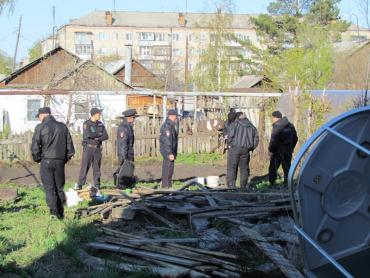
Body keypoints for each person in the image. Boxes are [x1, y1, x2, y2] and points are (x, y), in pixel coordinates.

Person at [31, 107, 75, 219]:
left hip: (46, 161)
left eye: (39, 116)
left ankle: (53, 213)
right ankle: (61, 212)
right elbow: (70, 148)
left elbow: (35, 147)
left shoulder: (40, 128)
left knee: (50, 188)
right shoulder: (62, 127)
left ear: (43, 115)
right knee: (59, 187)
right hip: (59, 161)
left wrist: (38, 159)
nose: (39, 118)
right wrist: (64, 159)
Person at [75, 108, 108, 190]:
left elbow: (106, 136)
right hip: (88, 148)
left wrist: (97, 137)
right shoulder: (87, 123)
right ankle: (80, 184)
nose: (100, 115)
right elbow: (89, 135)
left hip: (97, 149)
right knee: (85, 166)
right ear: (94, 114)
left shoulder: (100, 124)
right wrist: (99, 136)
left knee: (97, 167)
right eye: (99, 114)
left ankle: (97, 184)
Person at [227, 113, 259, 188]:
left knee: (232, 167)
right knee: (244, 168)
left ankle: (231, 186)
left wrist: (230, 144)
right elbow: (256, 138)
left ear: (238, 118)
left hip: (235, 149)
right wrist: (252, 147)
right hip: (246, 150)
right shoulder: (252, 126)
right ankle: (243, 186)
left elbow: (230, 135)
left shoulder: (235, 124)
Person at [268, 111, 298, 185]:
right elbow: (296, 138)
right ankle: (287, 184)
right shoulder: (291, 126)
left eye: (272, 118)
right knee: (287, 167)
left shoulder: (277, 126)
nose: (272, 120)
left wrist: (271, 150)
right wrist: (291, 148)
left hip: (278, 151)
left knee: (273, 168)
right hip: (288, 150)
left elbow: (273, 140)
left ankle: (272, 184)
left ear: (275, 117)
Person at [114, 109, 137, 188]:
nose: (134, 120)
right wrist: (124, 158)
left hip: (129, 152)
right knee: (124, 171)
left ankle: (127, 185)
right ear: (129, 118)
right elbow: (122, 144)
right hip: (125, 154)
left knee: (129, 171)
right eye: (133, 118)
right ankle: (121, 186)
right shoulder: (123, 128)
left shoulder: (129, 127)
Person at [160, 109, 179, 188]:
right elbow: (167, 141)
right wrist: (169, 153)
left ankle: (168, 186)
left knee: (170, 169)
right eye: (176, 116)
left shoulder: (170, 125)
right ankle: (166, 187)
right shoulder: (167, 127)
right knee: (168, 169)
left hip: (170, 151)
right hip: (168, 152)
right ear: (172, 116)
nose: (176, 118)